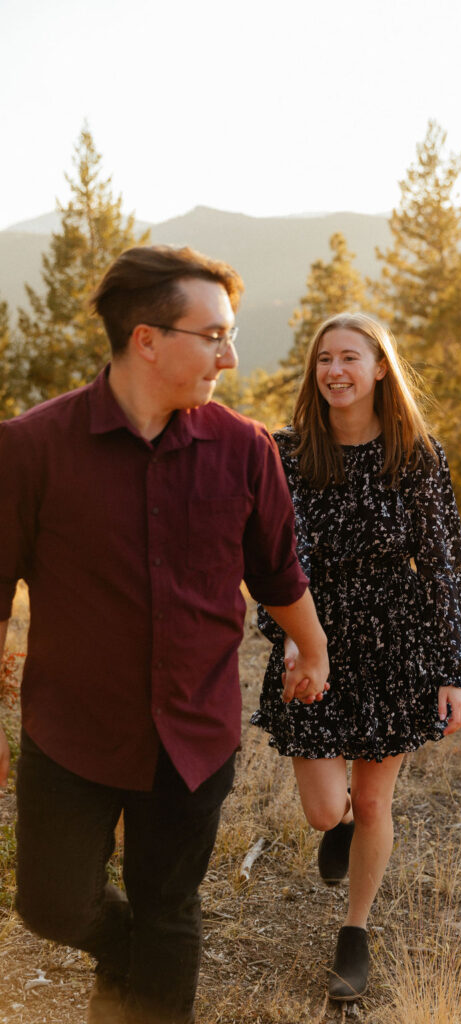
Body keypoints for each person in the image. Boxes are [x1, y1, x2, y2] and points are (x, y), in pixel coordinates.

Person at [0, 245, 329, 1024]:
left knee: (170, 908)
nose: (230, 354)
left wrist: (312, 648)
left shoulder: (245, 449)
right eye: (211, 335)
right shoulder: (30, 447)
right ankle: (126, 954)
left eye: (230, 333)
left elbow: (278, 574)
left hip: (193, 732)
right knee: (51, 906)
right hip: (72, 733)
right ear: (146, 339)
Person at [252, 311, 461, 1000]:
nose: (334, 372)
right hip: (312, 632)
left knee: (376, 800)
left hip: (396, 640)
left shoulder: (415, 454)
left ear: (380, 368)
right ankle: (340, 824)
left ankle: (354, 932)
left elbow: (444, 563)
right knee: (326, 810)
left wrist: (453, 670)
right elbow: (270, 558)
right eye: (324, 359)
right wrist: (289, 634)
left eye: (350, 357)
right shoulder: (286, 453)